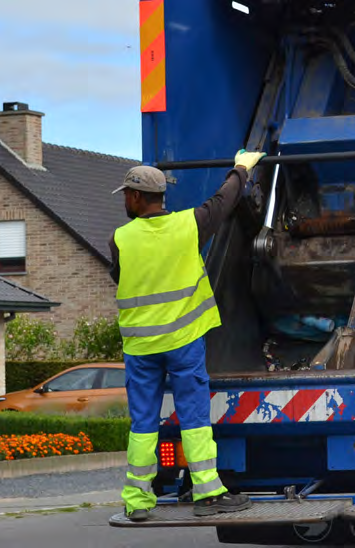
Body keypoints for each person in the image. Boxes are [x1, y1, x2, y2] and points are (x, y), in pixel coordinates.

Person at [109, 150, 266, 521]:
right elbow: (223, 201)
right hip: (183, 343)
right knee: (193, 417)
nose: (125, 202)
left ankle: (137, 500)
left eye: (126, 196)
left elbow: (120, 278)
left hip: (141, 348)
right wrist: (242, 168)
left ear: (135, 197)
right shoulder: (189, 225)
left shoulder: (120, 238)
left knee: (144, 423)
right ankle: (207, 493)